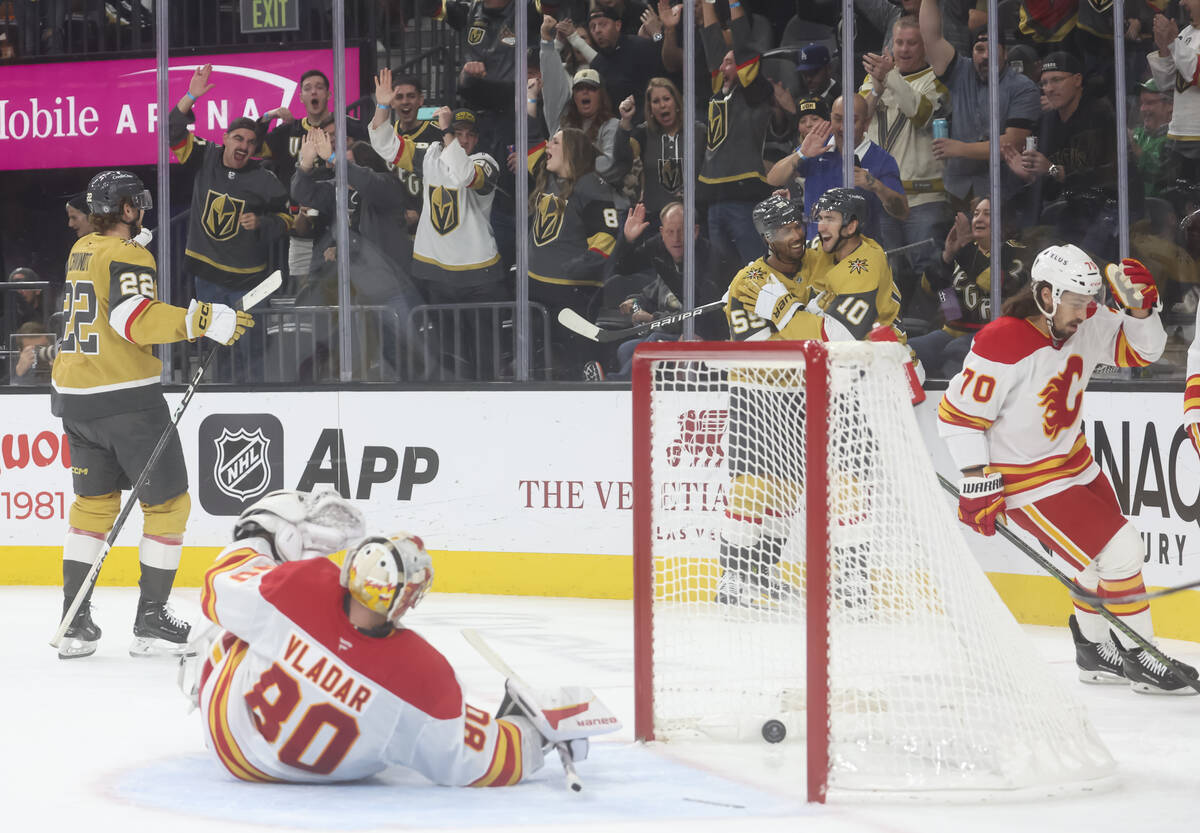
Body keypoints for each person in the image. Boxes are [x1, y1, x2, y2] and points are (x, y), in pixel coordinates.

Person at [191, 489, 614, 784]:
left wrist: (263, 534)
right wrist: (534, 733)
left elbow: (216, 586)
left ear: (353, 566)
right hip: (333, 776)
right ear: (407, 601)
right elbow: (480, 762)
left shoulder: (297, 587)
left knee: (231, 629)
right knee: (407, 733)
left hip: (229, 737)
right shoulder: (424, 675)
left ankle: (191, 676)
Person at [939, 244, 1198, 693]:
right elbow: (958, 415)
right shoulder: (1003, 338)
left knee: (1093, 563)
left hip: (1075, 463)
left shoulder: (1088, 321)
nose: (1084, 311)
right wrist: (974, 477)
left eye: (1087, 301)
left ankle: (1094, 650)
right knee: (1121, 551)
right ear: (1045, 294)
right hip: (1025, 479)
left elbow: (1145, 353)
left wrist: (1140, 313)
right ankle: (1143, 656)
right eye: (1075, 302)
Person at [50, 169, 253, 660]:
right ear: (124, 209)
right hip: (126, 399)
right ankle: (152, 618)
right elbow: (133, 318)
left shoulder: (83, 248)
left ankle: (73, 621)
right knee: (168, 505)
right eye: (135, 204)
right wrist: (202, 319)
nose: (141, 210)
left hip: (75, 396)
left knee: (93, 508)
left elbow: (105, 293)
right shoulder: (129, 253)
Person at [170, 64, 291, 380]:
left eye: (250, 142)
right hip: (207, 278)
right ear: (225, 138)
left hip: (248, 281)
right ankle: (219, 398)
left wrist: (263, 223)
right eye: (238, 138)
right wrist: (190, 96)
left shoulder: (264, 180)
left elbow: (288, 219)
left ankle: (252, 402)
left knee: (251, 350)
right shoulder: (204, 156)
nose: (244, 146)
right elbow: (172, 129)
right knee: (216, 347)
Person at [919, 1, 1041, 212]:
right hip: (957, 191)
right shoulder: (960, 71)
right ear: (972, 51)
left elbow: (1010, 143)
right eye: (979, 49)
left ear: (1005, 53)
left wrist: (959, 148)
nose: (985, 55)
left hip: (1003, 193)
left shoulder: (1024, 88)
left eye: (993, 49)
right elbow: (931, 38)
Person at [526, 127, 621, 378]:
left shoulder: (590, 185)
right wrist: (532, 102)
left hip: (573, 292)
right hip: (540, 288)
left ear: (571, 151)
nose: (548, 147)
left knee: (580, 359)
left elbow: (606, 238)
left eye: (555, 142)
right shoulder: (548, 178)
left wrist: (577, 267)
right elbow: (529, 150)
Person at [859, 16, 949, 278]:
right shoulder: (872, 79)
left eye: (912, 43)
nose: (904, 49)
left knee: (932, 272)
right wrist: (876, 88)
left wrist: (890, 77)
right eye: (899, 42)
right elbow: (859, 120)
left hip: (923, 199)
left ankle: (950, 318)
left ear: (924, 47)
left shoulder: (936, 80)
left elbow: (920, 115)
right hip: (881, 197)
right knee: (888, 274)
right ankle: (896, 321)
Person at [908, 197, 1028, 378]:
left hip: (993, 335)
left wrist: (963, 251)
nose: (979, 219)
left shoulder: (1016, 252)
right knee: (907, 350)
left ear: (1005, 225)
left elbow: (990, 283)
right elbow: (933, 290)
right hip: (952, 333)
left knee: (955, 352)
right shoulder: (964, 250)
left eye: (987, 214)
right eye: (976, 214)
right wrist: (947, 255)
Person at [697, 0, 775, 266]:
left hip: (745, 198)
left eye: (731, 63)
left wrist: (733, 3)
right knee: (722, 277)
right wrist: (707, 3)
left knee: (755, 270)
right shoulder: (721, 92)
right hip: (714, 199)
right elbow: (711, 43)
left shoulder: (755, 92)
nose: (724, 67)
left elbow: (742, 44)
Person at [788, 95, 909, 242]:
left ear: (866, 123)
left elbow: (902, 212)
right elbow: (774, 178)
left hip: (860, 256)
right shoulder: (817, 147)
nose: (842, 127)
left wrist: (876, 185)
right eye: (838, 119)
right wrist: (801, 154)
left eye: (851, 121)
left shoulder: (881, 159)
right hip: (816, 252)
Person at [540, 15, 633, 188]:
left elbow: (610, 165)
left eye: (591, 88)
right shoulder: (561, 121)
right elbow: (551, 83)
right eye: (579, 89)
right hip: (559, 197)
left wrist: (570, 161)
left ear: (601, 96)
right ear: (573, 96)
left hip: (593, 200)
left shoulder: (611, 126)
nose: (585, 92)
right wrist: (547, 41)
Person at [616, 77, 705, 229]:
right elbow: (622, 158)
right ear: (650, 110)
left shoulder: (699, 132)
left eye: (666, 99)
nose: (662, 105)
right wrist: (625, 121)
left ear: (677, 103)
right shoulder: (642, 134)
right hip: (655, 221)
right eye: (656, 101)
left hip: (692, 219)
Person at [1150, 1, 1200, 183]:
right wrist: (1165, 48)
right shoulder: (1186, 33)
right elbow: (1166, 83)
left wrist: (1173, 42)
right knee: (1179, 206)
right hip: (1178, 138)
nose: (1182, 2)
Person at [1132, 77, 1174, 199]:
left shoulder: (1176, 141)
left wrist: (1135, 149)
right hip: (1137, 211)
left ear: (1170, 106)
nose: (1143, 109)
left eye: (1149, 103)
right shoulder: (1140, 134)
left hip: (1164, 211)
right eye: (1141, 103)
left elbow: (1160, 175)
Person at [8, 321, 53, 386]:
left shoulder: (60, 361)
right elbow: (12, 393)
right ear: (21, 352)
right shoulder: (10, 371)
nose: (37, 353)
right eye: (32, 350)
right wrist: (20, 373)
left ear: (50, 345)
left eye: (42, 348)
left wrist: (57, 370)